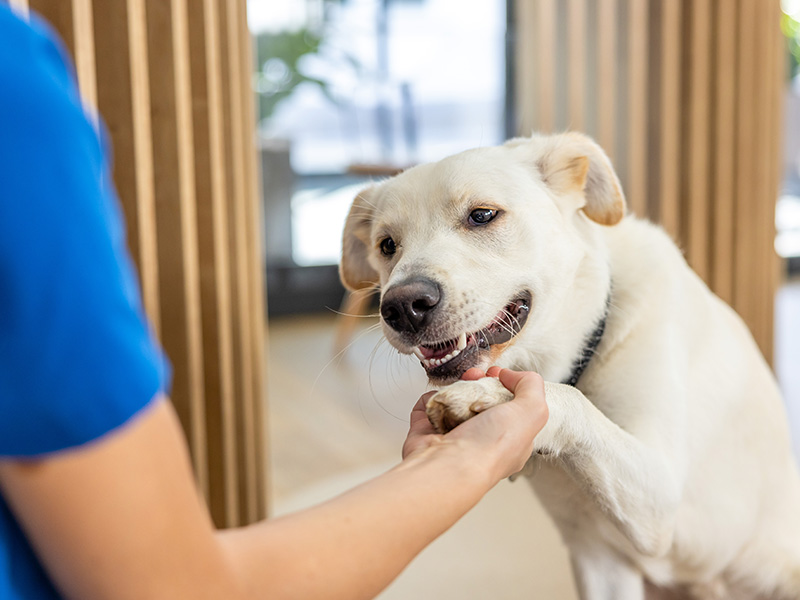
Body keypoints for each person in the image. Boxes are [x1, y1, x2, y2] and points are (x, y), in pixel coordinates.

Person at [0, 6, 549, 600]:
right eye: (387, 247)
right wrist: (468, 462)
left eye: (481, 218)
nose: (400, 291)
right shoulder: (17, 98)